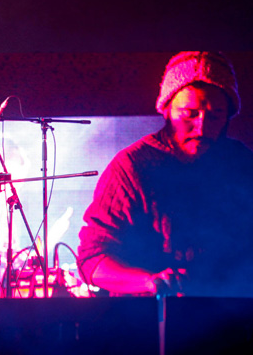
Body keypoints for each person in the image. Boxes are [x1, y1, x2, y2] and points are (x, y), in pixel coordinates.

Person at [77, 51, 253, 297]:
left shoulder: (241, 163)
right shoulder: (131, 167)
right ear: (167, 110)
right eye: (189, 114)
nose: (202, 128)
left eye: (215, 116)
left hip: (233, 314)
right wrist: (149, 282)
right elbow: (92, 260)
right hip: (146, 316)